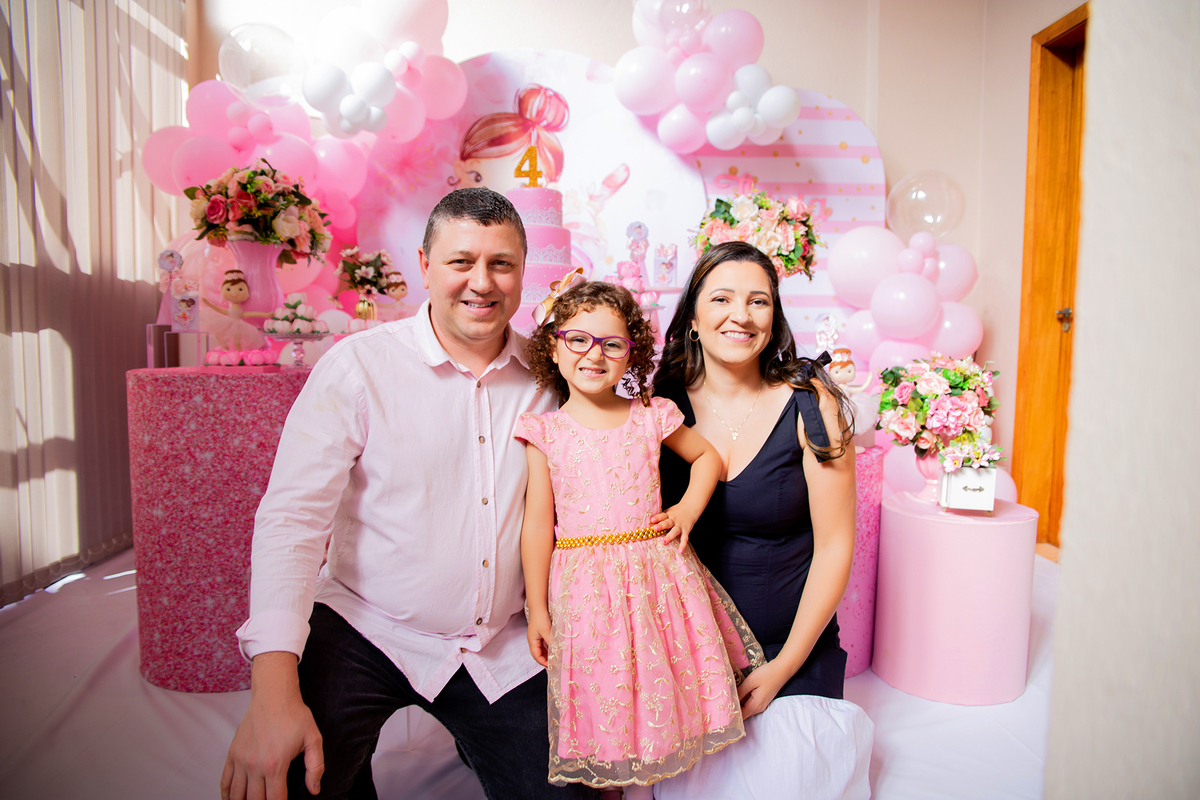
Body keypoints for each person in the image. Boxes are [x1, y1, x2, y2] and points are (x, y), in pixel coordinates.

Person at [220, 188, 596, 800]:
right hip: (366, 622)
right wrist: (272, 691)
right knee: (290, 778)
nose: (482, 281)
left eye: (501, 263)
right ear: (424, 265)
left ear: (525, 272)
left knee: (566, 793)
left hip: (498, 641)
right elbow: (291, 522)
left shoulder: (552, 379)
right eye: (460, 261)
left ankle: (477, 738)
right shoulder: (356, 368)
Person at [516, 281, 763, 796]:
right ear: (553, 348)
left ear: (631, 353)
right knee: (606, 700)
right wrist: (537, 608)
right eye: (578, 339)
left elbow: (709, 459)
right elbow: (538, 524)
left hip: (656, 578)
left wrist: (687, 509)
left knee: (660, 685)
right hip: (586, 593)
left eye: (612, 344)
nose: (594, 355)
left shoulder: (651, 416)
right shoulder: (545, 432)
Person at [651, 241, 874, 800]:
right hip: (692, 652)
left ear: (773, 317)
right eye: (722, 298)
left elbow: (835, 548)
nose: (741, 315)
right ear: (694, 318)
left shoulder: (809, 401)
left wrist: (780, 671)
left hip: (790, 649)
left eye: (759, 301)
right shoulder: (659, 407)